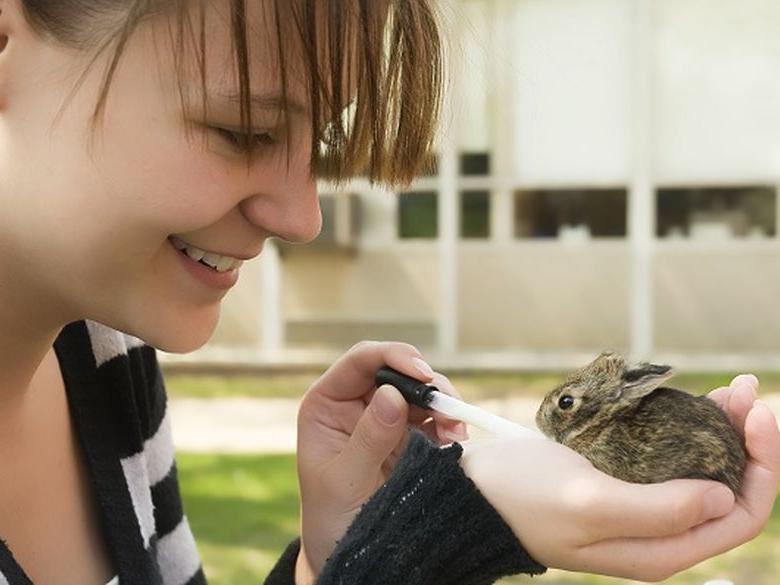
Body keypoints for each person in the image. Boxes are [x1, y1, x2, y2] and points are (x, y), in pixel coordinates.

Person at [0, 1, 777, 584]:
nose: (301, 218)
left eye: (320, 146)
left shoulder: (106, 361)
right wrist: (437, 529)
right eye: (244, 131)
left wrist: (330, 554)